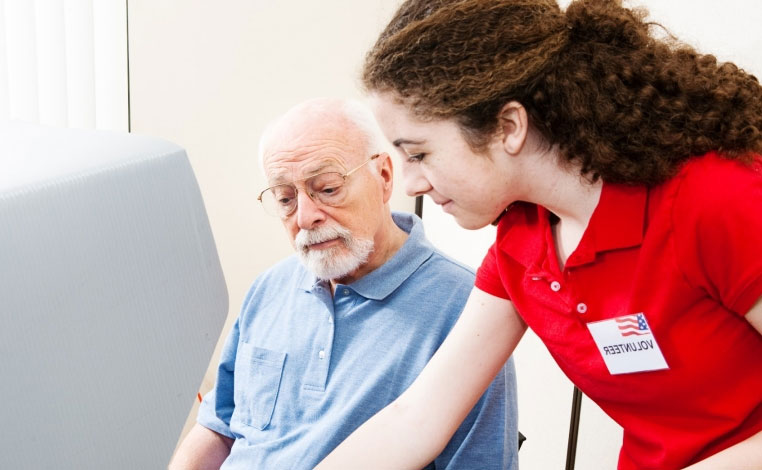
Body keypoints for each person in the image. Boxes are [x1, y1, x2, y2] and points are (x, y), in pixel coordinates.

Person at [315, 1, 762, 469]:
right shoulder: (521, 245)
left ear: (508, 127)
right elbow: (414, 419)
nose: (410, 185)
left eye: (419, 154)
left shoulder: (718, 198)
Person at [168, 97, 519, 470]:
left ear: (383, 177)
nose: (305, 217)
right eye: (285, 198)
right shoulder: (269, 288)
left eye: (328, 188)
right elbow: (219, 429)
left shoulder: (467, 307)